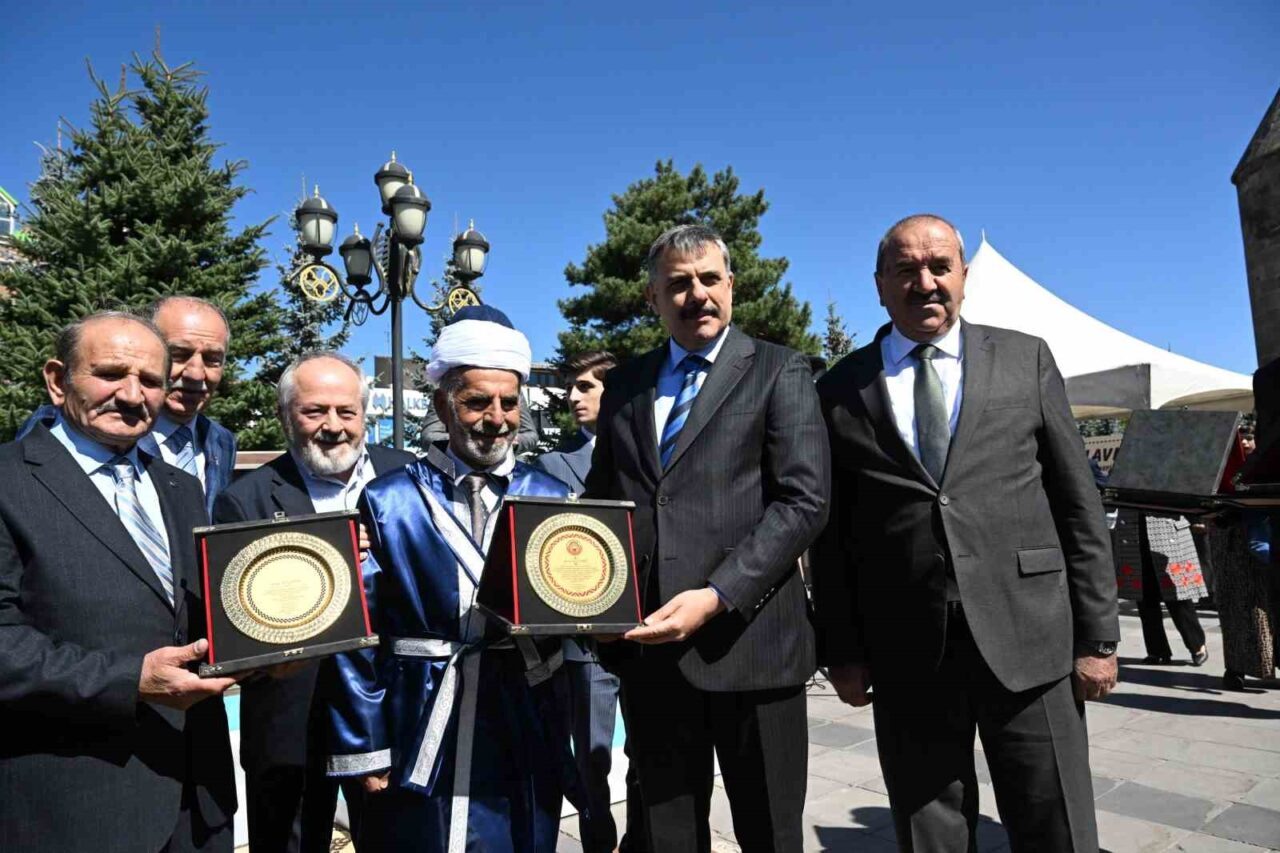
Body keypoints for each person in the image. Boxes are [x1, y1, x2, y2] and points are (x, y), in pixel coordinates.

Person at [812, 214, 1118, 853]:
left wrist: (1098, 636)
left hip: (1030, 636)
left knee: (1055, 822)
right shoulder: (839, 387)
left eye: (939, 267)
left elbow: (1077, 503)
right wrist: (841, 649)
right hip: (907, 648)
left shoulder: (1024, 358)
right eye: (905, 270)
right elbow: (832, 535)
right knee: (932, 834)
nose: (924, 282)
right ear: (879, 284)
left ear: (963, 276)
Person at [585, 224, 831, 853]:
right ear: (652, 299)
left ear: (731, 286)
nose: (696, 294)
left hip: (751, 644)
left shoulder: (780, 370)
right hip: (651, 654)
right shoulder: (626, 386)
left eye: (709, 279)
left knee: (770, 833)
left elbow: (803, 503)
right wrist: (581, 594)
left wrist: (717, 594)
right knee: (666, 836)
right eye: (678, 284)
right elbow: (603, 501)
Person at [325, 305, 578, 851]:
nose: (496, 418)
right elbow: (358, 634)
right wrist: (365, 745)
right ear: (443, 403)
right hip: (420, 712)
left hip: (522, 709)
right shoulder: (389, 500)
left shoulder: (552, 499)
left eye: (509, 403)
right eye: (477, 402)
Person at [0, 311, 239, 852]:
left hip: (196, 805)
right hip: (75, 807)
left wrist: (273, 652)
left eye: (152, 381)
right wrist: (129, 679)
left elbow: (196, 617)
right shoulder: (9, 481)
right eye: (110, 374)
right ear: (58, 381)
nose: (133, 395)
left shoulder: (179, 487)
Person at [213, 352, 415, 853]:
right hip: (293, 717)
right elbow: (239, 621)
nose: (333, 426)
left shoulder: (408, 475)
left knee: (399, 838)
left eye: (346, 412)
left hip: (392, 705)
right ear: (286, 417)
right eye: (313, 411)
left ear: (365, 415)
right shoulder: (245, 497)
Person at [534, 351, 644, 853]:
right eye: (571, 388)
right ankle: (599, 839)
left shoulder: (650, 454)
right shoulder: (554, 467)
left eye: (584, 387)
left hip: (651, 634)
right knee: (592, 758)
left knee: (651, 750)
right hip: (585, 643)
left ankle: (643, 840)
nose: (572, 398)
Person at [16, 295, 238, 516]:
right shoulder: (59, 425)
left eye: (212, 359)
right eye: (178, 354)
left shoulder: (221, 441)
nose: (196, 374)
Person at [1113, 510, 1208, 665]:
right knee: (1144, 596)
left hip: (1167, 528)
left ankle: (1197, 645)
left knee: (1178, 595)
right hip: (1133, 530)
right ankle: (1156, 650)